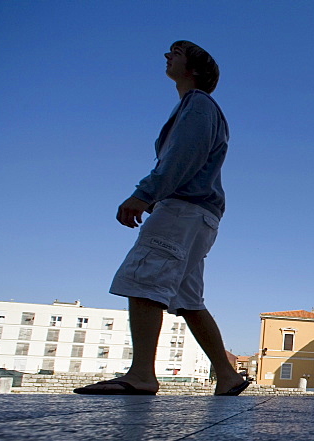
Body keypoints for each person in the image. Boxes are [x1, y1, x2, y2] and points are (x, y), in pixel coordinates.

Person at [76, 41, 248, 397]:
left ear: (194, 68)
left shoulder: (198, 106)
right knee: (188, 299)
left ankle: (141, 374)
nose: (167, 56)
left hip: (182, 208)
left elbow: (182, 156)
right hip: (202, 215)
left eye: (176, 53)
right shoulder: (199, 107)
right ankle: (228, 375)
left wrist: (144, 194)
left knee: (144, 280)